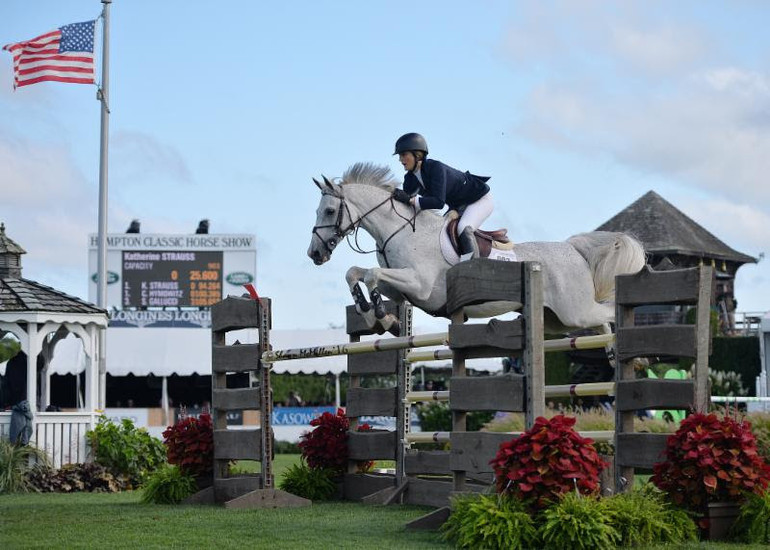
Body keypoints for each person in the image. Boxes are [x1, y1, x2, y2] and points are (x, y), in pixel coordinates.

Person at [392, 132, 493, 258]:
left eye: (403, 155)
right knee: (439, 231)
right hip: (457, 206)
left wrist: (411, 200)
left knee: (463, 228)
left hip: (479, 199)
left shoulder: (435, 168)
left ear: (417, 155)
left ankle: (473, 267)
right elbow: (408, 203)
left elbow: (438, 202)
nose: (400, 159)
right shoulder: (409, 179)